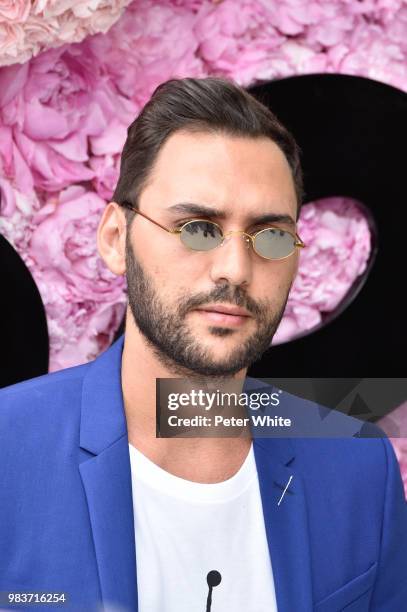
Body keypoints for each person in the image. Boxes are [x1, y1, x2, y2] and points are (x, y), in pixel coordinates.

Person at [0, 76, 406, 612]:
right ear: (116, 239)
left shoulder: (357, 466)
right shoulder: (9, 449)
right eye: (197, 228)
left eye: (272, 236)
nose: (235, 270)